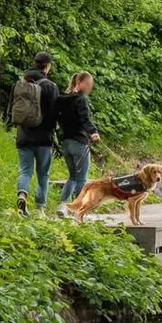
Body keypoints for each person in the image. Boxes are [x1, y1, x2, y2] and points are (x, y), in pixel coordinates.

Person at [12, 51, 60, 216]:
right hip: (43, 138)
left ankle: (22, 195)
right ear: (47, 66)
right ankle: (40, 209)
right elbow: (54, 112)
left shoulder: (21, 84)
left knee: (25, 171)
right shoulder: (50, 86)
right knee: (43, 174)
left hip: (23, 136)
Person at [56, 71, 101, 216]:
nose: (89, 87)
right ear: (79, 82)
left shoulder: (62, 99)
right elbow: (84, 118)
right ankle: (79, 210)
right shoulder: (81, 100)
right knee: (81, 178)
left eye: (90, 85)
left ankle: (63, 206)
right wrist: (93, 132)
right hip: (79, 143)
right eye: (87, 84)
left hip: (66, 143)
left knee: (72, 177)